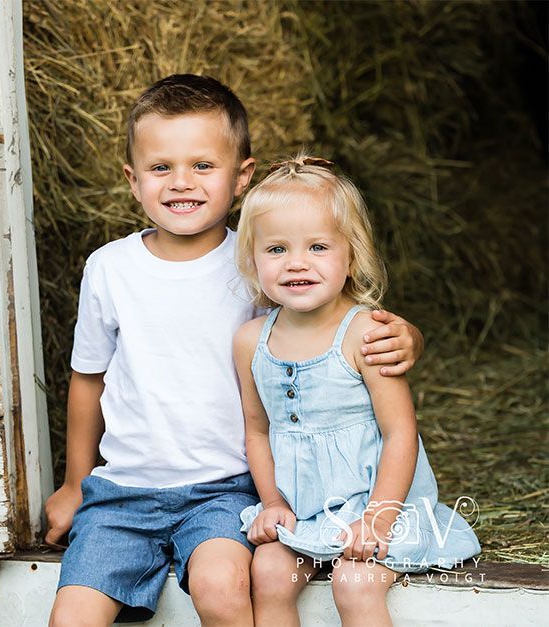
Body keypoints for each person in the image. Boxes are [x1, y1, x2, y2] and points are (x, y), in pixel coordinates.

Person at [45, 76, 425, 627]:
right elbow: (88, 378)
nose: (181, 183)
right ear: (132, 180)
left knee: (223, 592)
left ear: (242, 176)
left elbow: (336, 318)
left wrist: (409, 335)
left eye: (203, 166)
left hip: (225, 489)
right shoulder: (109, 268)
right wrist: (75, 482)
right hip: (121, 493)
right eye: (160, 168)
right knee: (70, 618)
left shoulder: (260, 265)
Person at [233, 156, 481, 627]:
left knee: (354, 583)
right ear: (252, 259)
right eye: (276, 249)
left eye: (319, 246)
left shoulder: (366, 334)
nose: (297, 263)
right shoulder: (250, 341)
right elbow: (258, 430)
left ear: (352, 255)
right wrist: (272, 504)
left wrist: (378, 520)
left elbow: (400, 434)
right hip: (304, 511)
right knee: (266, 573)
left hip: (378, 502)